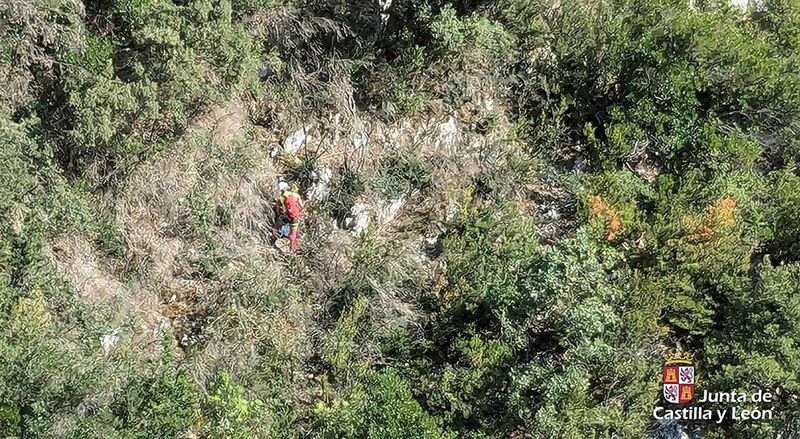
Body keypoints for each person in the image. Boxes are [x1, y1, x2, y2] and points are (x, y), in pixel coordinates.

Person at [273, 181, 304, 251]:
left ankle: (273, 239)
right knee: (293, 234)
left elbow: (277, 208)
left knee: (277, 226)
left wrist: (278, 214)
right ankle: (292, 249)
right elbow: (301, 206)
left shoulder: (281, 198)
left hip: (286, 217)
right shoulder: (296, 195)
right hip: (294, 218)